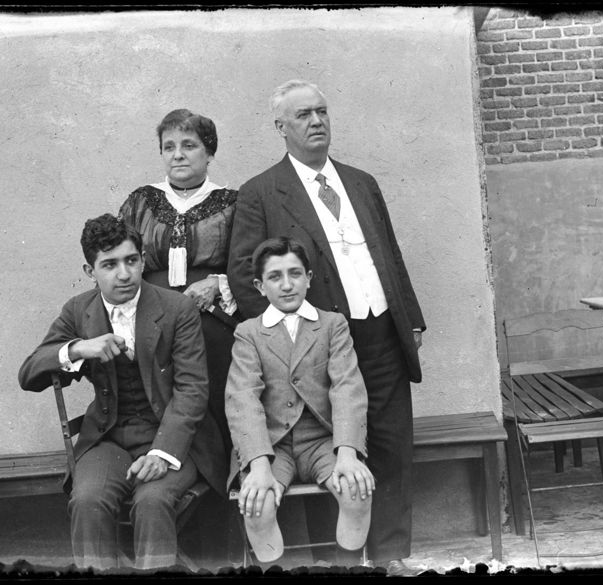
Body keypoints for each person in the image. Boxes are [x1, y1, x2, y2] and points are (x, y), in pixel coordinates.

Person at [227, 80, 425, 575]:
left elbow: (390, 256)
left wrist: (411, 318)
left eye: (321, 112)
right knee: (322, 441)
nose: (316, 122)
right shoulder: (261, 193)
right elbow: (244, 275)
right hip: (316, 344)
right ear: (281, 128)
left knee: (391, 443)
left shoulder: (360, 182)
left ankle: (389, 556)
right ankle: (329, 563)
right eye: (302, 116)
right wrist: (289, 334)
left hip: (378, 331)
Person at [18, 214, 227, 570]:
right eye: (110, 265)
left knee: (153, 501)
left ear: (143, 260)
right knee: (87, 500)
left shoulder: (177, 309)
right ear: (90, 270)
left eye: (132, 261)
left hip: (174, 438)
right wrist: (78, 349)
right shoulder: (78, 311)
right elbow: (29, 373)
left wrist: (162, 453)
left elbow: (192, 390)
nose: (125, 274)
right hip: (108, 438)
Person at [225, 236, 374, 564]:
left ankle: (347, 568)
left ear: (308, 278)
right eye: (275, 277)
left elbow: (347, 388)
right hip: (273, 445)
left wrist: (347, 454)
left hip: (322, 441)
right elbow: (242, 400)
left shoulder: (332, 325)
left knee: (355, 489)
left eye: (295, 274)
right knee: (257, 502)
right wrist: (259, 465)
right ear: (260, 286)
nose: (287, 284)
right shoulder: (249, 333)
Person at [118, 108, 240, 462]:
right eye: (169, 146)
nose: (178, 154)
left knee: (212, 402)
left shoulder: (232, 203)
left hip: (211, 323)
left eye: (189, 145)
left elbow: (250, 263)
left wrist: (218, 282)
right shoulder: (142, 201)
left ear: (210, 153)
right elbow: (120, 255)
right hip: (152, 321)